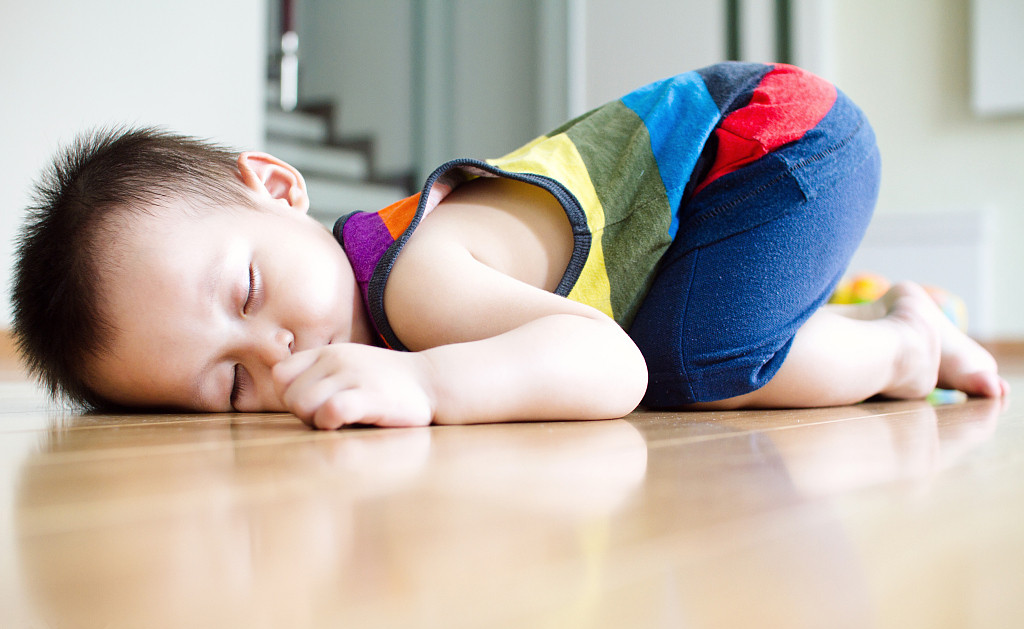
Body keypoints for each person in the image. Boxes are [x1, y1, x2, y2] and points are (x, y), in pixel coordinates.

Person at [11, 62, 1008, 429]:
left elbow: (604, 367)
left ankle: (902, 338)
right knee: (676, 333)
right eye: (227, 384)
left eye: (248, 291)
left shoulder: (420, 280)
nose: (271, 353)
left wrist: (431, 388)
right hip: (725, 179)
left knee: (688, 364)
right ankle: (856, 310)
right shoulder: (376, 289)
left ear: (277, 188)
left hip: (774, 142)